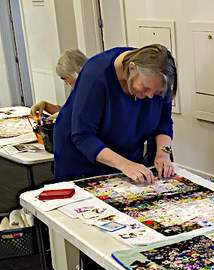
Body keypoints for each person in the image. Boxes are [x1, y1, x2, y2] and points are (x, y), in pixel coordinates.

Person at [53, 44, 177, 182]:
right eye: (145, 88)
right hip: (83, 159)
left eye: (157, 93)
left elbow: (163, 121)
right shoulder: (96, 75)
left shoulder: (158, 77)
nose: (150, 97)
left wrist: (163, 153)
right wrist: (125, 164)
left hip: (125, 157)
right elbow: (83, 136)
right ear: (131, 68)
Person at [30, 49, 87, 117]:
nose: (66, 83)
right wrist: (46, 105)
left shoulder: (91, 92)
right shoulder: (80, 90)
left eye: (65, 78)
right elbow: (68, 110)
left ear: (75, 74)